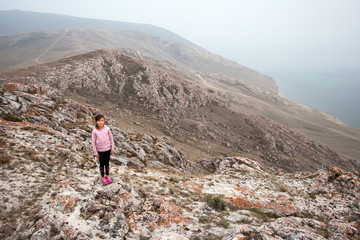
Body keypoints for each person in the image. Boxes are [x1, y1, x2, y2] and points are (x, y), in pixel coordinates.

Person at [92, 114, 114, 185]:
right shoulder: (94, 131)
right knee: (102, 164)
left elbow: (111, 139)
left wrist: (112, 148)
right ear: (96, 122)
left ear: (104, 121)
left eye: (102, 120)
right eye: (99, 121)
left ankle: (107, 175)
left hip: (107, 149)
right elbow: (93, 142)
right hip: (100, 151)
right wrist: (96, 153)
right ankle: (102, 177)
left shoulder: (107, 129)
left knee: (107, 163)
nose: (101, 122)